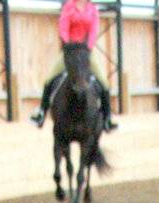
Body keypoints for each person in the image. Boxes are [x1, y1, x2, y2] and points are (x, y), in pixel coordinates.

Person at [31, 0, 118, 132]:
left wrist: (87, 48)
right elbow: (63, 28)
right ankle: (41, 113)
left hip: (85, 52)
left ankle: (107, 118)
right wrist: (68, 46)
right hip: (69, 51)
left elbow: (93, 31)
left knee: (104, 82)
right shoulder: (69, 6)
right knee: (49, 79)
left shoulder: (92, 9)